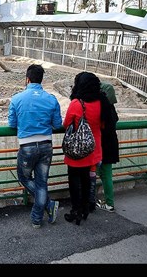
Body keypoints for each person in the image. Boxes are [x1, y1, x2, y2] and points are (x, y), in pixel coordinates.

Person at [8, 64, 62, 229]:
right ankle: (37, 218)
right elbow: (58, 124)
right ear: (41, 79)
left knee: (24, 177)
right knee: (42, 182)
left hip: (27, 146)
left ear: (27, 79)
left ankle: (47, 205)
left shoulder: (16, 99)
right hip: (46, 145)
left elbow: (12, 124)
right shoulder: (51, 99)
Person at [63, 72, 113, 225]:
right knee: (86, 182)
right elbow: (104, 125)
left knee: (74, 182)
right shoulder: (102, 102)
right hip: (93, 149)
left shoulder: (76, 103)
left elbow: (66, 125)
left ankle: (75, 211)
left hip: (77, 151)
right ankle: (85, 210)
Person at [88, 82, 119, 213]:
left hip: (103, 146)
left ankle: (109, 204)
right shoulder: (111, 110)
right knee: (105, 174)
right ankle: (107, 201)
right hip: (111, 145)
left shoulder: (102, 110)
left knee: (105, 175)